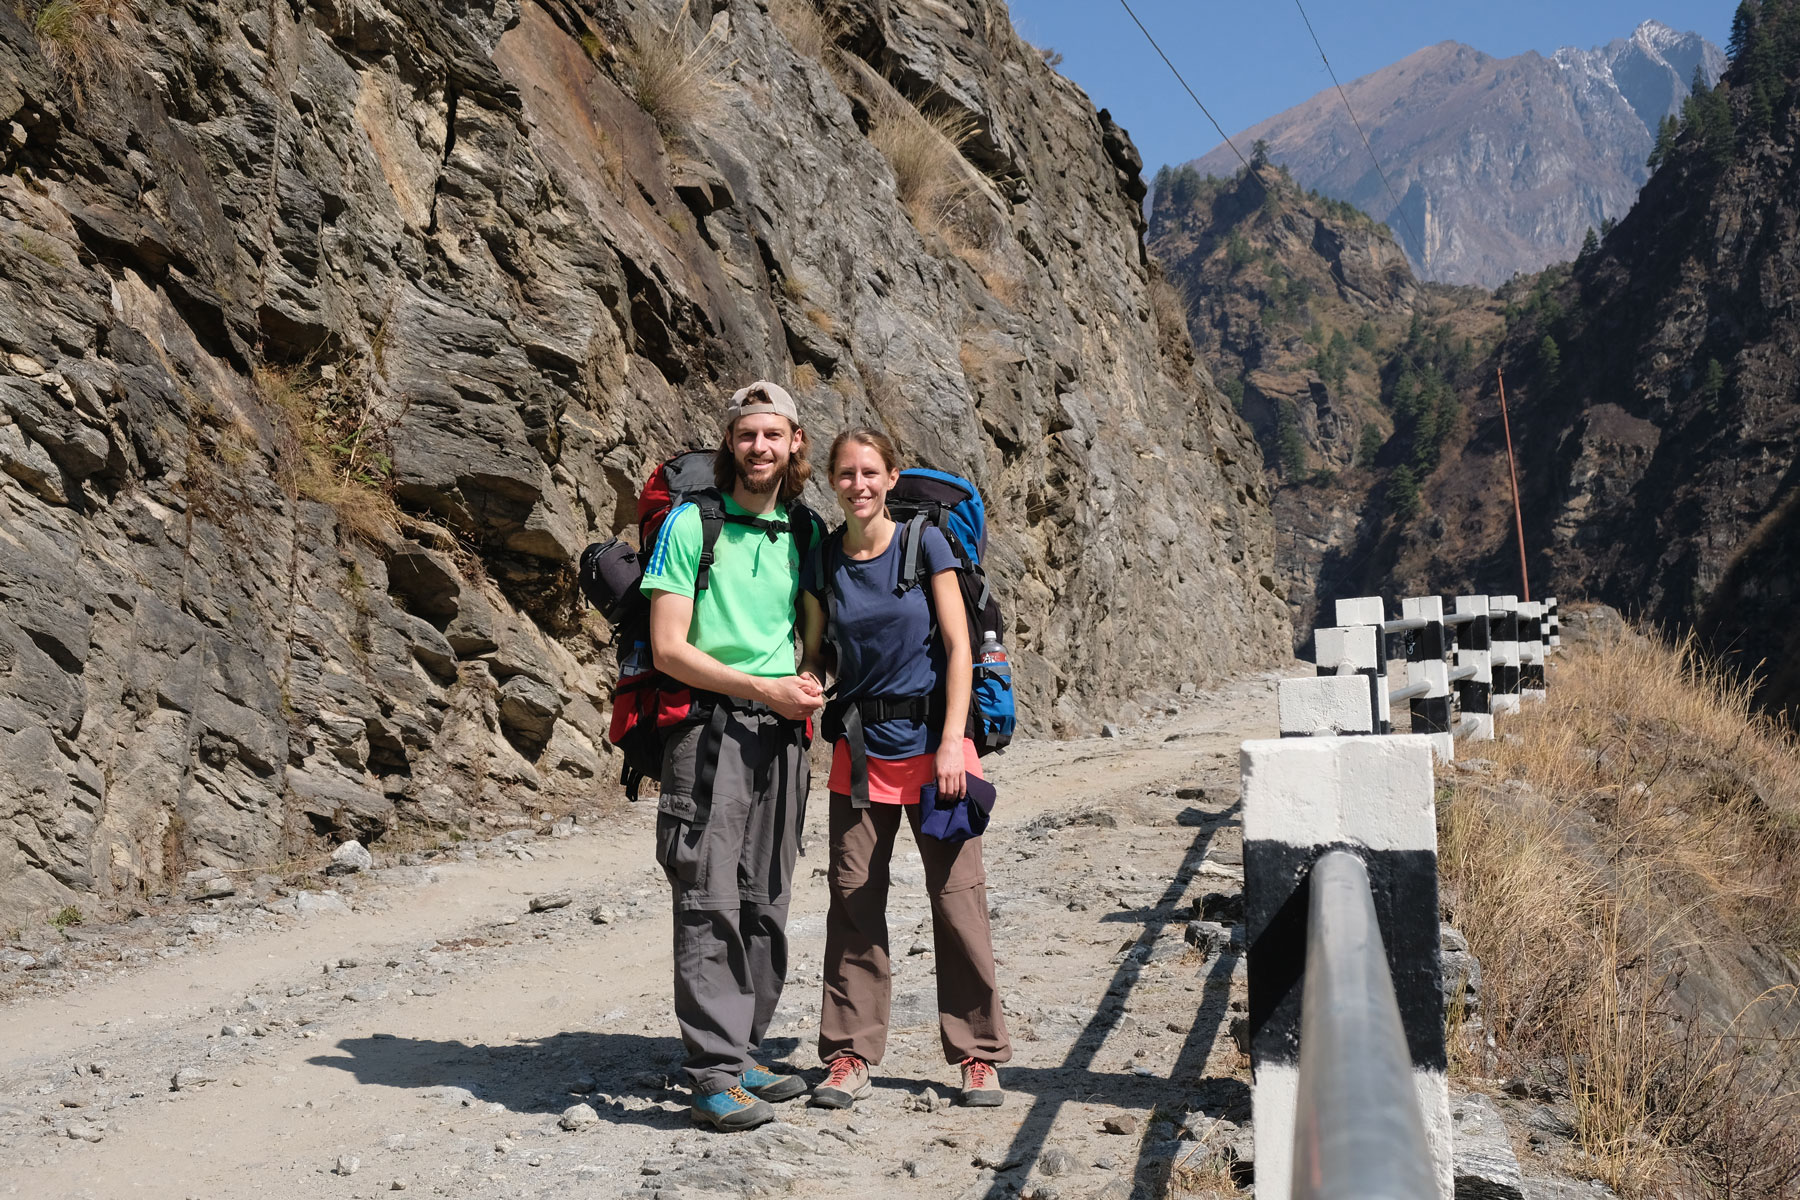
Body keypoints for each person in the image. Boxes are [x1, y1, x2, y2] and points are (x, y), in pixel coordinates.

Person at [641, 381, 826, 1131]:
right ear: (731, 444)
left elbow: (812, 631)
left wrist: (810, 682)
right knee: (708, 894)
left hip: (782, 737)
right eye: (747, 435)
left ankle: (745, 1049)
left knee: (765, 900)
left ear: (793, 444)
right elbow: (667, 648)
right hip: (709, 734)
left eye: (772, 435)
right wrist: (762, 686)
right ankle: (714, 1073)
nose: (759, 448)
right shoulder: (693, 525)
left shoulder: (805, 531)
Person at [807, 427, 1011, 1110]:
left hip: (935, 749)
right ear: (830, 481)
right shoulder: (825, 558)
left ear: (892, 478)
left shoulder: (925, 544)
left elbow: (958, 649)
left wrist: (953, 742)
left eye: (870, 472)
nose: (858, 484)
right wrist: (803, 680)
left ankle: (977, 1055)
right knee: (854, 906)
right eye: (846, 473)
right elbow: (817, 652)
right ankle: (849, 1053)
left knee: (958, 906)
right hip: (860, 755)